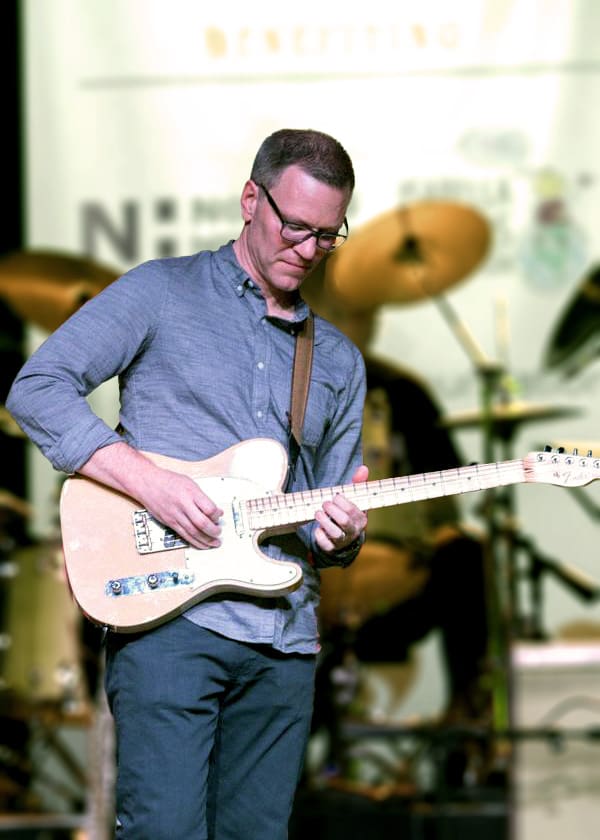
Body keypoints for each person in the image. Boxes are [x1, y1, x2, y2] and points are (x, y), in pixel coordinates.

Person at [6, 128, 369, 839]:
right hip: (170, 626)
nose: (308, 247)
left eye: (328, 235)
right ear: (249, 200)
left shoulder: (339, 361)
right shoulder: (161, 292)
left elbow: (325, 520)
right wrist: (149, 483)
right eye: (295, 225)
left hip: (285, 641)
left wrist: (343, 534)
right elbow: (37, 387)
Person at [299, 274, 491, 771]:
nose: (366, 322)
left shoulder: (404, 393)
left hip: (392, 589)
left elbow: (446, 510)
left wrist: (435, 534)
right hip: (299, 586)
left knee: (467, 557)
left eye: (368, 312)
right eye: (350, 310)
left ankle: (467, 721)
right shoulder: (273, 388)